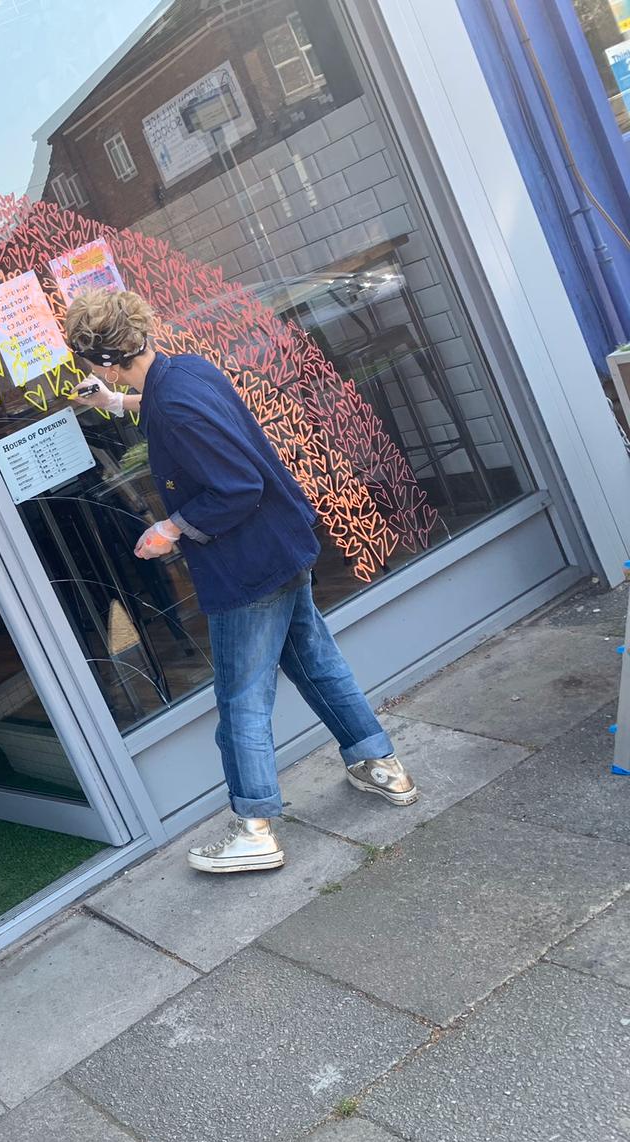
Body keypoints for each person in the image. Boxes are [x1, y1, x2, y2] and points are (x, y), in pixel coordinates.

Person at [63, 289, 417, 873]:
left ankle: (254, 828)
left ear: (101, 359)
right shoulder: (186, 373)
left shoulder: (174, 404)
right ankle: (382, 765)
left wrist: (170, 529)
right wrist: (117, 401)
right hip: (281, 550)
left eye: (90, 366)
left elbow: (235, 487)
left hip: (248, 567)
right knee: (315, 662)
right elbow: (166, 405)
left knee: (242, 699)